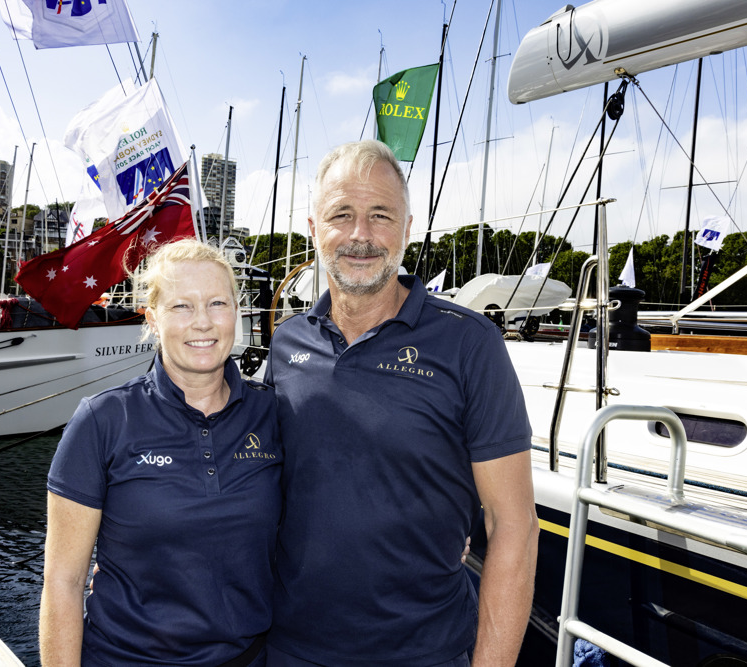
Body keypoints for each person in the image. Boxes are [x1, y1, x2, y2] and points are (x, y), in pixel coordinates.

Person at [264, 140, 539, 667]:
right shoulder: (288, 341)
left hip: (424, 653)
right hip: (289, 648)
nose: (360, 235)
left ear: (408, 228)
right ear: (314, 229)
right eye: (341, 215)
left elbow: (515, 526)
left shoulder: (470, 344)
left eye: (380, 215)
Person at [39, 238, 280, 666]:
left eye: (218, 304)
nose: (203, 323)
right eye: (181, 307)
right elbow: (64, 581)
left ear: (237, 313)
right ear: (152, 319)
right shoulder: (102, 421)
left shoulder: (273, 415)